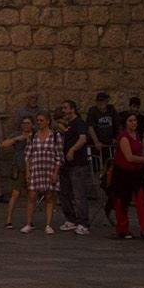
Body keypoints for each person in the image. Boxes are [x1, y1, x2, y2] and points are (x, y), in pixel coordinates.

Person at [108, 111, 144, 239]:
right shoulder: (124, 137)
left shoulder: (137, 135)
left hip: (137, 173)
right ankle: (123, 229)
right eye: (130, 121)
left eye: (135, 120)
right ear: (125, 123)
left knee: (141, 200)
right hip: (123, 173)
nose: (133, 123)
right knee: (122, 202)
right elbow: (129, 157)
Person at [23, 111, 63, 234]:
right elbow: (28, 155)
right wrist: (28, 171)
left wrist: (56, 173)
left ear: (48, 121)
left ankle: (48, 224)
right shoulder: (33, 135)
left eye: (41, 120)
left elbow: (59, 156)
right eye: (38, 120)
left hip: (49, 169)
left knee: (49, 197)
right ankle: (29, 223)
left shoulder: (55, 136)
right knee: (32, 196)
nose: (39, 123)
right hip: (36, 168)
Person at [58, 100, 92, 235]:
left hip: (77, 165)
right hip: (67, 165)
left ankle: (84, 223)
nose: (63, 110)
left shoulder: (79, 123)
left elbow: (83, 138)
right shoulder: (69, 125)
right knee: (65, 193)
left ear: (72, 109)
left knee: (79, 194)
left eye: (65, 108)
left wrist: (72, 150)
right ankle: (71, 219)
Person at [2, 111, 35, 228]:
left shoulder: (36, 135)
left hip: (33, 168)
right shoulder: (17, 135)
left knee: (31, 196)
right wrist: (19, 138)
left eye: (28, 123)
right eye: (24, 123)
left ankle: (29, 221)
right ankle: (9, 220)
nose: (26, 125)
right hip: (19, 167)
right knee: (15, 194)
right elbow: (4, 144)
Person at [86, 91, 120, 184]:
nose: (101, 104)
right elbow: (90, 127)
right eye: (99, 101)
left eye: (103, 101)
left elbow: (117, 125)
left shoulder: (111, 110)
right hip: (98, 146)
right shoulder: (93, 111)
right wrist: (96, 142)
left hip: (109, 145)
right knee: (98, 168)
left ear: (107, 101)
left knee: (110, 166)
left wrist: (116, 138)